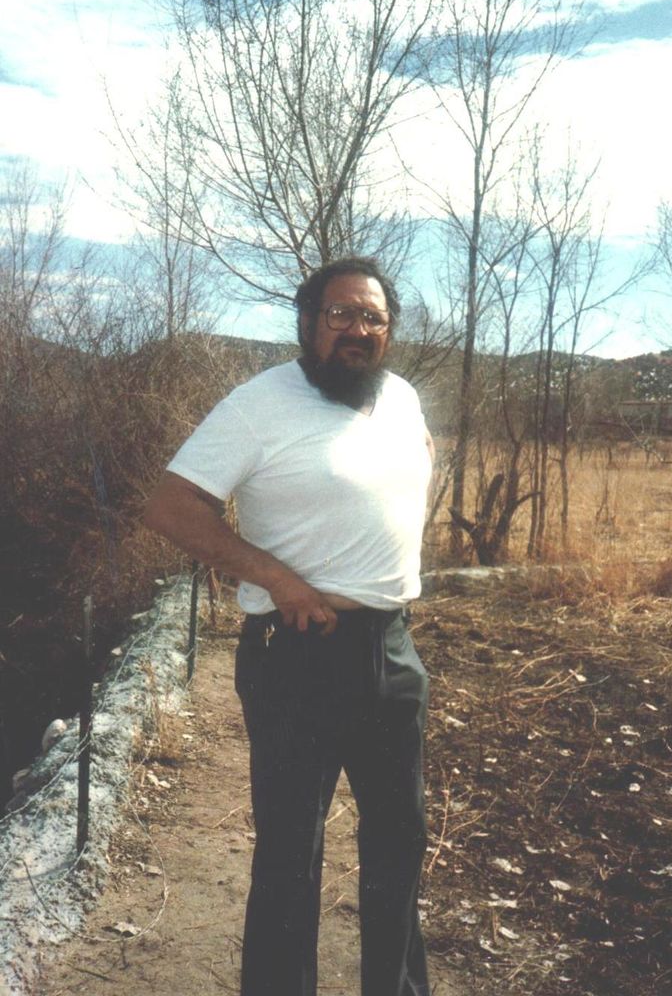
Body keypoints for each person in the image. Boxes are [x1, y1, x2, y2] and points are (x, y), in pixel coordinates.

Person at [144, 256, 434, 996]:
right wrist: (275, 577)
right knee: (290, 855)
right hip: (299, 655)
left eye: (372, 317)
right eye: (340, 315)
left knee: (400, 841)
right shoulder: (259, 404)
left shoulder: (401, 398)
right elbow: (172, 506)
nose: (357, 330)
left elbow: (411, 470)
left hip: (392, 648)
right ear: (307, 324)